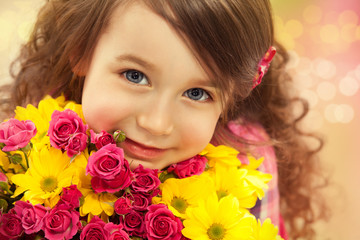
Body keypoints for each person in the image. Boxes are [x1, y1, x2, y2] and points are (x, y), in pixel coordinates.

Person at [2, 0, 328, 239]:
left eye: (197, 93)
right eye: (134, 75)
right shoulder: (24, 147)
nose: (156, 124)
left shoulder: (250, 165)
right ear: (81, 51)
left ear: (232, 97)